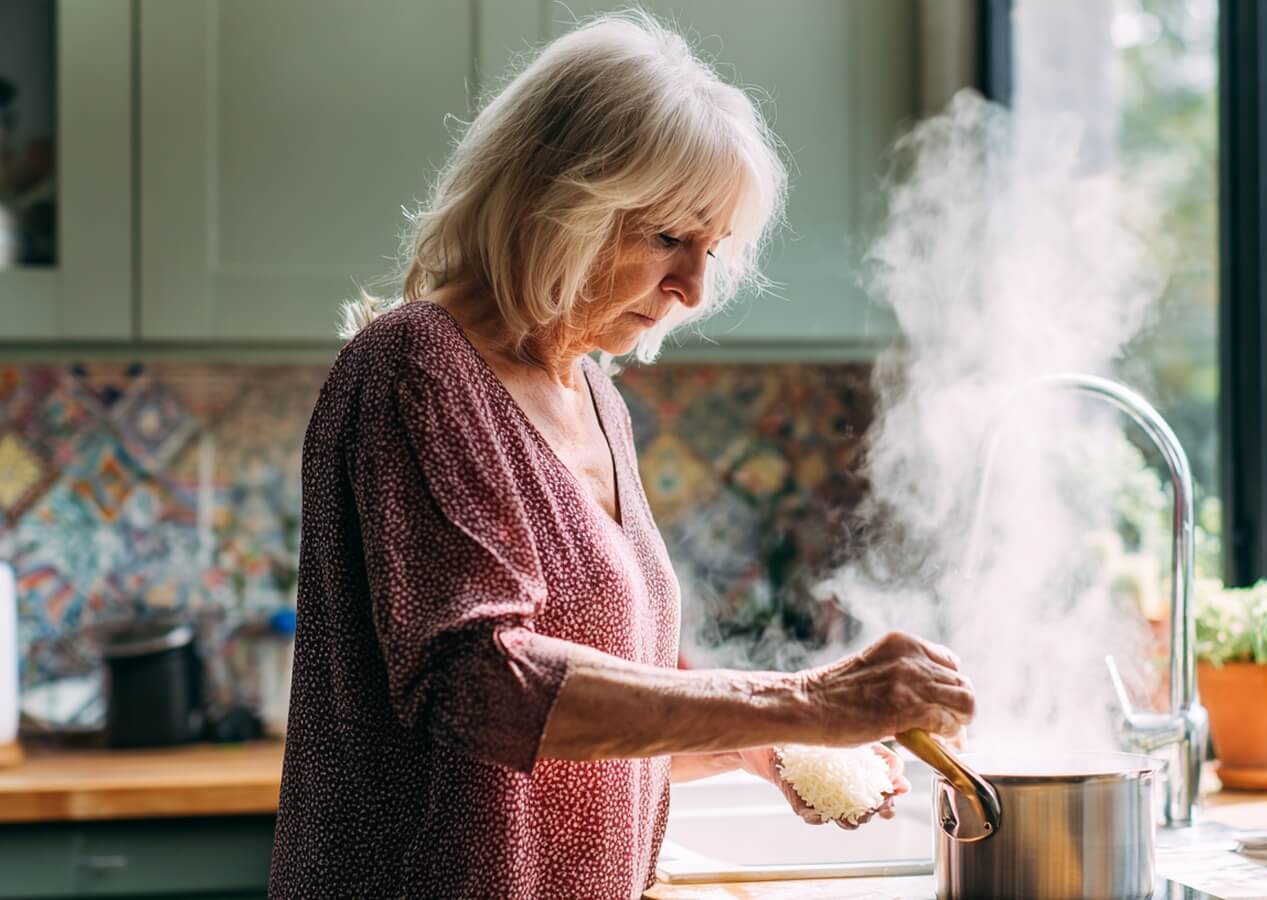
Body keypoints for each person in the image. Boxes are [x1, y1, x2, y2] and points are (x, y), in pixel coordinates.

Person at [268, 12, 974, 899]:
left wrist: (761, 743)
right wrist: (806, 701)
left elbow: (572, 741)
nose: (693, 288)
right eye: (668, 237)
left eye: (711, 250)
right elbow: (481, 688)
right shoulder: (418, 365)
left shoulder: (593, 394)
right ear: (553, 199)